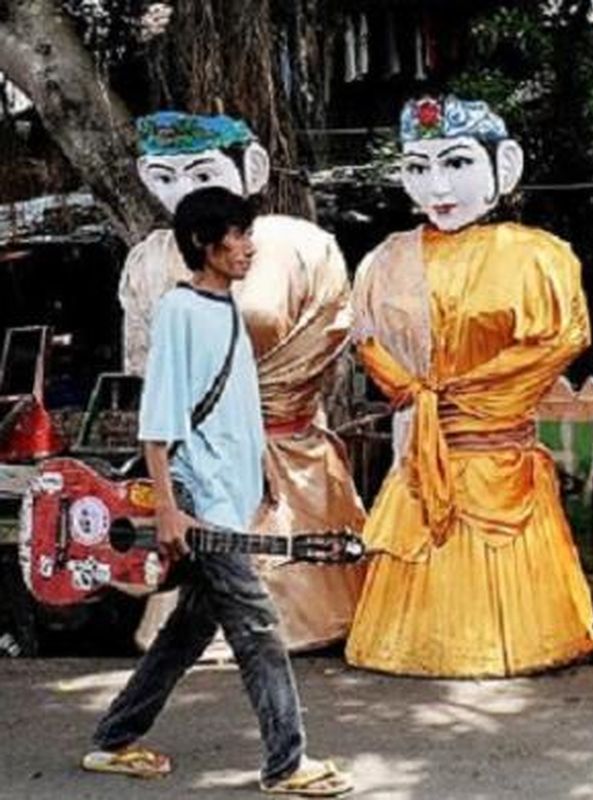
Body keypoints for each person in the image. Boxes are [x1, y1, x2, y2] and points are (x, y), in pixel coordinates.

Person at [82, 187, 352, 796]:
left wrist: (257, 481)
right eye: (238, 235)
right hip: (198, 501)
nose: (249, 247)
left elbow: (231, 409)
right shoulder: (180, 312)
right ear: (206, 244)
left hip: (225, 501)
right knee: (258, 629)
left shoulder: (224, 306)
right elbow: (159, 422)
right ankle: (287, 764)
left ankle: (112, 739)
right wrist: (172, 511)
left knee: (187, 633)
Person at [344, 95, 593, 677]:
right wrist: (414, 393)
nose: (438, 186)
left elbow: (557, 341)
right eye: (418, 167)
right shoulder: (386, 259)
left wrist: (458, 401)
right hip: (422, 450)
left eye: (456, 164)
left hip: (496, 451)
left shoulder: (538, 255)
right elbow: (366, 341)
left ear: (502, 166)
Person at [123, 112, 364, 653]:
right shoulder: (148, 261)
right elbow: (147, 369)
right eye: (164, 177)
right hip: (199, 459)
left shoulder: (300, 245)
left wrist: (268, 408)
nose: (184, 192)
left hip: (286, 447)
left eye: (201, 175)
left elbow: (328, 334)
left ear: (251, 169)